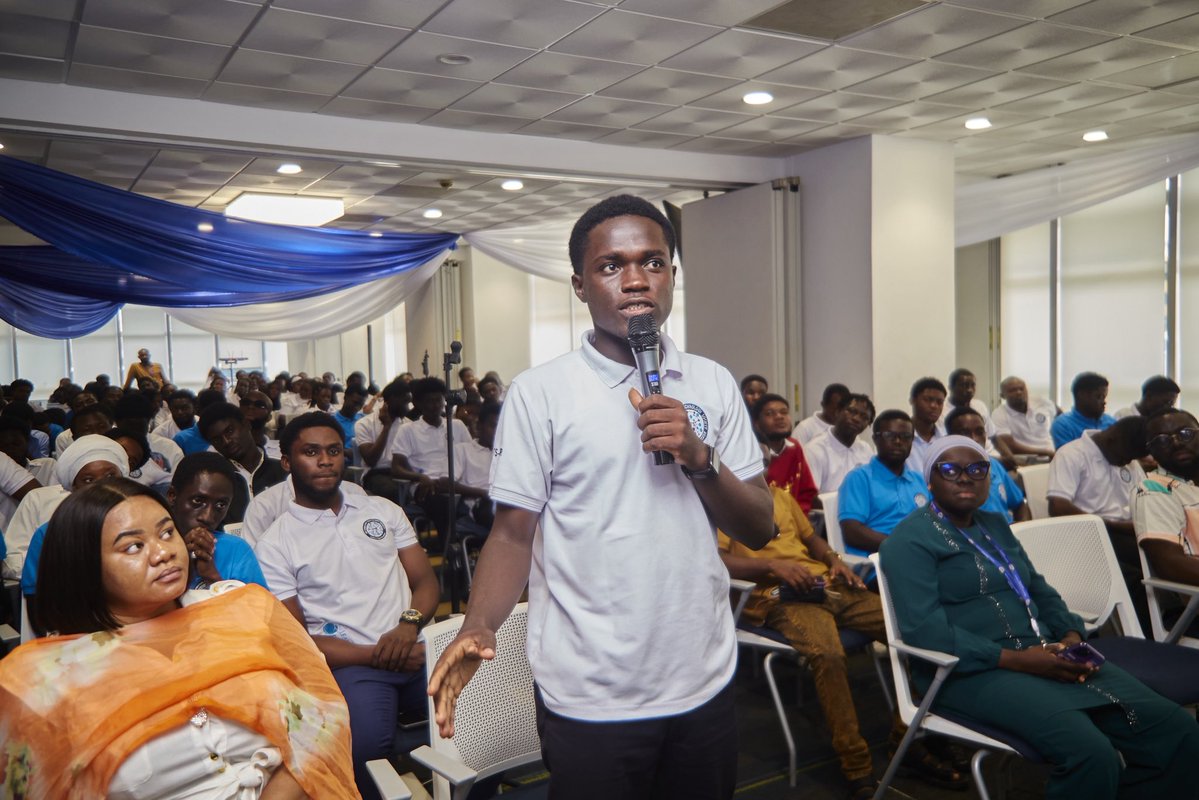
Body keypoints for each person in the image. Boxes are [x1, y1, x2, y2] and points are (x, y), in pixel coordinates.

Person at [427, 195, 774, 799]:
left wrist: (700, 459)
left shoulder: (713, 381)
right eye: (611, 266)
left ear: (672, 275)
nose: (636, 280)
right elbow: (512, 533)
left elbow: (760, 526)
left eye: (653, 262)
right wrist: (479, 623)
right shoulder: (541, 393)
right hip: (591, 693)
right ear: (580, 285)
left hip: (703, 678)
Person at [880, 435, 1199, 800]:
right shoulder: (908, 541)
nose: (965, 477)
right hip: (965, 671)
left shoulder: (993, 524)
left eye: (978, 468)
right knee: (1091, 754)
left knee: (1179, 732)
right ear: (930, 480)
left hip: (1043, 652)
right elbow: (925, 631)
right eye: (950, 469)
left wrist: (1071, 637)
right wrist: (1019, 660)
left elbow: (1038, 589)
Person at [0, 477, 357, 798]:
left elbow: (325, 715)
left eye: (167, 532)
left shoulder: (241, 608)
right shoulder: (48, 682)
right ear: (86, 567)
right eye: (133, 547)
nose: (164, 552)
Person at [253, 413, 438, 800]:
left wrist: (408, 625)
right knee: (364, 748)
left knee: (488, 710)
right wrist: (381, 654)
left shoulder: (382, 510)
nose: (325, 461)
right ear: (286, 462)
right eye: (311, 452)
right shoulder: (276, 543)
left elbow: (425, 582)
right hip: (352, 665)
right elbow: (300, 641)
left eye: (334, 451)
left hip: (416, 647)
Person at [718, 485, 900, 799]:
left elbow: (812, 538)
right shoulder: (722, 501)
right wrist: (772, 566)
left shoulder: (780, 495)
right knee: (828, 654)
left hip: (825, 582)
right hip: (779, 597)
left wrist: (834, 559)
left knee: (904, 628)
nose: (763, 463)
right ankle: (857, 766)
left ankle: (907, 736)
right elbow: (718, 560)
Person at [168, 452, 268, 590]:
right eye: (198, 501)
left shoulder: (235, 550)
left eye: (220, 505)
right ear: (172, 496)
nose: (207, 517)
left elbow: (260, 604)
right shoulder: (153, 548)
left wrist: (212, 576)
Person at [840, 410, 929, 557]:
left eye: (906, 436)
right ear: (875, 439)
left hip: (922, 556)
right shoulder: (859, 478)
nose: (898, 441)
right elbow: (852, 532)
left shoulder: (920, 480)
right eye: (889, 435)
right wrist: (903, 546)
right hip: (879, 560)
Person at [1132, 408, 1199, 587]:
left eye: (1185, 434)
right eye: (1162, 440)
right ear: (1151, 451)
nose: (1176, 443)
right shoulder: (1154, 490)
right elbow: (1170, 564)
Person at [197, 402, 287, 524]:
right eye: (217, 439)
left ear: (246, 424)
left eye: (229, 431)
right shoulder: (215, 481)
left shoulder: (284, 470)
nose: (226, 441)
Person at [944, 406, 1030, 523]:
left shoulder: (993, 464)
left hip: (1006, 530)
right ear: (949, 438)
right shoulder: (945, 474)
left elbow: (1020, 504)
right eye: (965, 433)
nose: (975, 439)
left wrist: (1021, 528)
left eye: (979, 432)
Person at [754, 393, 819, 514]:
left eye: (784, 412)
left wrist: (797, 518)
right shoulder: (753, 452)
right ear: (756, 424)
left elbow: (807, 491)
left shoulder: (794, 447)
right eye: (769, 413)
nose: (779, 417)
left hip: (794, 520)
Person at [804, 392, 875, 495]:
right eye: (852, 412)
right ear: (837, 412)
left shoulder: (866, 449)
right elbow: (810, 497)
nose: (856, 419)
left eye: (864, 417)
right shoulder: (814, 450)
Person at [991, 375, 1057, 460]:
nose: (1019, 392)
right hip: (1025, 460)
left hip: (1053, 456)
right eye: (1012, 390)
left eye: (1022, 389)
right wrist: (1046, 452)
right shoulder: (999, 414)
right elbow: (1009, 446)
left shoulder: (1041, 402)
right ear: (1002, 396)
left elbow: (1060, 417)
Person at [1052, 372, 1116, 449]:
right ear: (1081, 395)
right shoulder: (1063, 425)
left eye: (1104, 397)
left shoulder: (1111, 423)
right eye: (1099, 397)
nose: (1104, 402)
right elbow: (1066, 455)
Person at [906, 377, 946, 476]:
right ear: (912, 400)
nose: (934, 406)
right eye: (928, 400)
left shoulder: (946, 438)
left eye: (939, 402)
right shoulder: (899, 438)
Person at [1114, 375, 1179, 420]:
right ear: (1149, 396)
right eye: (1167, 402)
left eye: (1171, 405)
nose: (1168, 408)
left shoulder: (1161, 421)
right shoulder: (1123, 416)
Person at [334, 384, 367, 451]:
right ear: (345, 397)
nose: (357, 407)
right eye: (355, 402)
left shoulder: (364, 419)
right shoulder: (332, 421)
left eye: (360, 404)